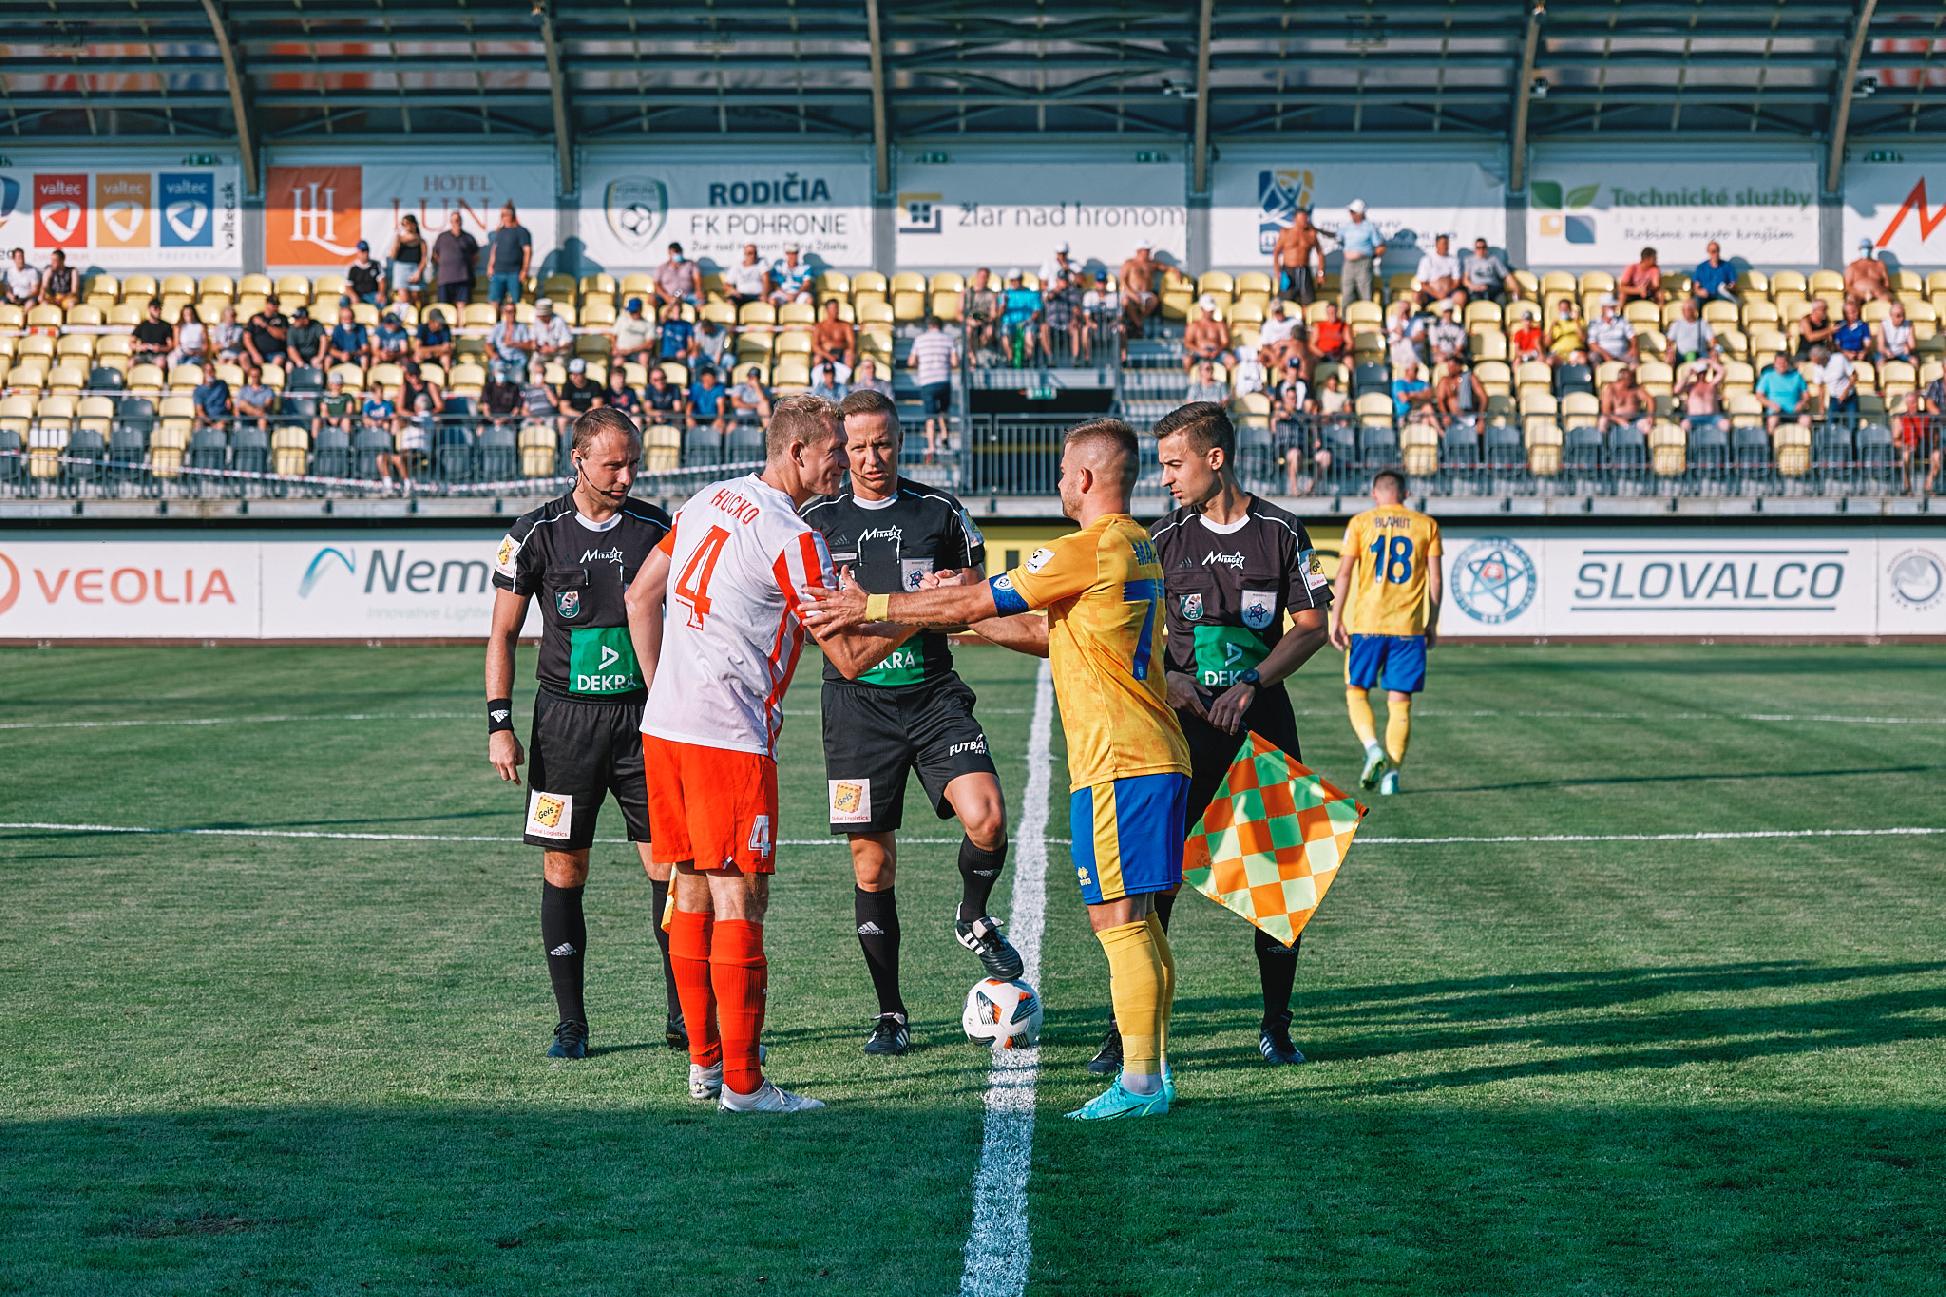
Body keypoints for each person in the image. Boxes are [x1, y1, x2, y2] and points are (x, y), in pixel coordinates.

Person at [803, 418, 1190, 1121]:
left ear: (1086, 478)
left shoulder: (1084, 548)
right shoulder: (1137, 543)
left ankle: (1139, 1083)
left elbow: (978, 600)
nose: (1060, 481)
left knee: (1118, 921)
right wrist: (963, 607)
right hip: (1154, 754)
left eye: (1065, 471)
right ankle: (1153, 1070)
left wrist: (873, 603)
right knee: (1140, 920)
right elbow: (1043, 631)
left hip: (1118, 760)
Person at [624, 393, 904, 1113]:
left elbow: (639, 596)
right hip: (727, 736)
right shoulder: (793, 535)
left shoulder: (704, 499)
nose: (843, 464)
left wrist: (664, 689)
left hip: (667, 728)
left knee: (689, 887)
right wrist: (914, 611)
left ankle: (704, 1066)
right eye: (834, 451)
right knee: (739, 897)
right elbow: (849, 658)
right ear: (797, 452)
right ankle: (745, 1085)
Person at [1083, 402, 1334, 1074]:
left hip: (1263, 725)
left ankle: (1276, 1027)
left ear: (1214, 458)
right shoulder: (1159, 539)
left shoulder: (1282, 530)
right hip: (1183, 733)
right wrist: (1170, 679)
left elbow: (1312, 625)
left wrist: (1253, 680)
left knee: (1279, 887)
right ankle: (1126, 1032)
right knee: (1154, 881)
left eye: (1174, 463)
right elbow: (1129, 631)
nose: (1164, 477)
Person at [797, 390, 1017, 1056]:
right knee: (872, 866)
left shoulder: (940, 512)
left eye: (883, 443)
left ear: (902, 440)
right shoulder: (814, 520)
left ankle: (972, 913)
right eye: (858, 446)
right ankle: (890, 1013)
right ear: (841, 449)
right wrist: (920, 606)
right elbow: (829, 630)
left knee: (988, 818)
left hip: (933, 697)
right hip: (854, 708)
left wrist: (927, 600)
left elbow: (971, 601)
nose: (871, 458)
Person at [487, 408, 682, 1062]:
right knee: (564, 866)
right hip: (563, 728)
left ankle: (682, 1014)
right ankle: (571, 1024)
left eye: (634, 464)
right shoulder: (535, 532)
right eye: (613, 465)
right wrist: (499, 724)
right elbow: (502, 635)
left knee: (666, 865)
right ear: (578, 460)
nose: (626, 476)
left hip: (643, 724)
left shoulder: (657, 530)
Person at [1328, 470, 1443, 797]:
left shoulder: (1361, 523)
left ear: (1375, 494)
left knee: (1356, 690)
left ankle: (1372, 747)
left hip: (1367, 624)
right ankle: (1392, 774)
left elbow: (1344, 573)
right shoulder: (1426, 525)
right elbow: (1435, 580)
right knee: (1400, 701)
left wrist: (1336, 617)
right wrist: (1432, 622)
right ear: (1405, 494)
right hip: (1408, 627)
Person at [909, 315, 957, 463]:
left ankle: (931, 447)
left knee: (930, 416)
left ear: (929, 325)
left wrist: (921, 363)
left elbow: (911, 361)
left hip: (927, 380)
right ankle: (944, 435)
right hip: (944, 379)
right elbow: (955, 362)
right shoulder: (948, 339)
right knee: (943, 411)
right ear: (941, 326)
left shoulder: (920, 339)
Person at [1335, 199, 1386, 307]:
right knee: (1347, 293)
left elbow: (1380, 246)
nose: (1351, 214)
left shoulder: (1370, 227)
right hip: (1348, 264)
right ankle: (1346, 317)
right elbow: (1337, 237)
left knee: (1365, 293)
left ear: (1360, 213)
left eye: (1353, 212)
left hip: (1363, 263)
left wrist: (1369, 257)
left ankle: (1367, 315)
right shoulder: (1347, 226)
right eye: (1350, 211)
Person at [1272, 207, 1324, 305]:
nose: (1304, 221)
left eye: (1305, 219)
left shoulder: (1311, 234)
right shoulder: (1285, 232)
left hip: (1304, 270)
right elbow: (1276, 252)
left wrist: (1320, 272)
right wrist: (1277, 271)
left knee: (1308, 301)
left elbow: (1320, 252)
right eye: (1302, 219)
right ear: (1295, 219)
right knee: (1286, 302)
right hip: (1288, 271)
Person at [488, 205, 534, 306]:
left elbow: (528, 251)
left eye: (505, 214)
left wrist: (525, 270)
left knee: (515, 301)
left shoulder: (521, 231)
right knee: (494, 301)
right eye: (502, 215)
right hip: (498, 272)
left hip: (514, 273)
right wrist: (490, 266)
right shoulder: (500, 232)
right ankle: (496, 316)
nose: (503, 217)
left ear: (512, 215)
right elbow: (494, 249)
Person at [431, 212, 479, 308]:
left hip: (463, 278)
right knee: (445, 308)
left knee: (462, 306)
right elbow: (435, 255)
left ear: (461, 221)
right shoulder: (442, 237)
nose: (456, 222)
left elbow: (475, 257)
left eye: (458, 220)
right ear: (450, 221)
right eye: (454, 220)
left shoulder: (468, 237)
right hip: (445, 279)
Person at [1754, 350, 1808, 434]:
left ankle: (1805, 442)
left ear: (1788, 363)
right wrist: (1771, 404)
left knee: (1806, 420)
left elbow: (1806, 395)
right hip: (1776, 413)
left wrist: (1802, 403)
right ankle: (1771, 441)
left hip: (1795, 412)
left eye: (1784, 362)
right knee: (1772, 421)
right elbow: (1759, 395)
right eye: (1779, 363)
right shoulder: (1767, 376)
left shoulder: (1797, 376)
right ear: (1774, 363)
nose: (1781, 365)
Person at [1433, 355, 1487, 437]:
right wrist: (1445, 416)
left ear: (1459, 366)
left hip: (1470, 418)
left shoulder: (1470, 378)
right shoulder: (1444, 381)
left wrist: (1481, 419)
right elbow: (1440, 400)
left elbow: (1483, 398)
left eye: (1452, 366)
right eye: (1448, 366)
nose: (1449, 369)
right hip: (1452, 418)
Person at [1041, 272, 1087, 363]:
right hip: (1052, 324)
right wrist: (1055, 291)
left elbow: (1076, 309)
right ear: (1057, 281)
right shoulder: (1051, 291)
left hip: (1068, 324)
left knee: (1075, 328)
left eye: (1065, 280)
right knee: (1043, 327)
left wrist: (1074, 319)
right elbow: (1046, 298)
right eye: (1061, 280)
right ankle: (1050, 358)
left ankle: (1075, 359)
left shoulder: (1073, 293)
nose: (1064, 282)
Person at [1120, 244, 1161, 340]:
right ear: (1139, 251)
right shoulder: (1129, 264)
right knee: (1126, 302)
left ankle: (1139, 321)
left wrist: (1174, 270)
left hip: (1146, 294)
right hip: (1131, 292)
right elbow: (1122, 282)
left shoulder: (1151, 264)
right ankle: (1139, 325)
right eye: (1146, 250)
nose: (1149, 252)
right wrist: (1132, 294)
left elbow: (1165, 267)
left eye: (1149, 250)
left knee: (1154, 300)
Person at [999, 271, 1041, 366]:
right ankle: (1010, 359)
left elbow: (1037, 310)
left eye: (1016, 280)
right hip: (1009, 323)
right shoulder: (1005, 294)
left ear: (1021, 280)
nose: (1014, 282)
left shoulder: (1031, 293)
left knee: (1029, 335)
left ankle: (1028, 359)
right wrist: (1004, 304)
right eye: (1012, 280)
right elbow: (1000, 313)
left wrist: (1028, 321)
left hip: (1027, 322)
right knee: (1005, 334)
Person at [1598, 364, 1651, 435]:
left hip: (1635, 418)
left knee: (1647, 425)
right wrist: (1619, 420)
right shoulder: (1610, 389)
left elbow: (1650, 400)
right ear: (1622, 379)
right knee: (1603, 421)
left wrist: (1650, 415)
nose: (1632, 380)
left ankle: (1645, 442)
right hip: (1614, 419)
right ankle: (1603, 441)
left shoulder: (1636, 388)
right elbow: (1606, 411)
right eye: (1629, 379)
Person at [488, 302, 533, 384]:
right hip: (501, 359)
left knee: (517, 383)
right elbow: (488, 344)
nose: (511, 314)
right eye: (509, 312)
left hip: (517, 360)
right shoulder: (498, 327)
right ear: (504, 313)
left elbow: (529, 345)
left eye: (513, 311)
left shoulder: (522, 327)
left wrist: (514, 344)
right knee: (497, 371)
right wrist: (493, 355)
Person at [1677, 358, 1725, 434]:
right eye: (1700, 373)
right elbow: (1677, 390)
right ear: (1696, 373)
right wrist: (1688, 376)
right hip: (1694, 418)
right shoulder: (1690, 386)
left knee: (1725, 424)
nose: (1702, 375)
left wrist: (1709, 361)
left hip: (1712, 417)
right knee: (1685, 425)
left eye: (1703, 372)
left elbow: (1722, 371)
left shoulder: (1711, 385)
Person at [556, 357, 603, 434]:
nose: (574, 376)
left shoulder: (594, 385)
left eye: (577, 374)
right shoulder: (567, 385)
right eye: (572, 373)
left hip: (591, 416)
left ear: (584, 373)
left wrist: (584, 416)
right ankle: (564, 442)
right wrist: (579, 415)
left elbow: (597, 405)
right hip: (573, 416)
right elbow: (564, 408)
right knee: (561, 420)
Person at [962, 268, 1001, 359]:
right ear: (977, 276)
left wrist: (983, 320)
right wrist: (969, 320)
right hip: (971, 321)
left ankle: (980, 349)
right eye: (982, 277)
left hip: (985, 321)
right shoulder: (966, 293)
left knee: (990, 331)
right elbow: (958, 313)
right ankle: (971, 357)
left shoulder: (992, 294)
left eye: (986, 277)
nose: (984, 279)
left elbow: (993, 314)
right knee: (969, 330)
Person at [1413, 233, 1462, 306]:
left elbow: (1456, 282)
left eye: (1447, 244)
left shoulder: (1454, 260)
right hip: (1431, 292)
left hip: (1448, 292)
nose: (1446, 246)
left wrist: (1445, 291)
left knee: (1461, 297)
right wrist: (1437, 294)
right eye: (1443, 244)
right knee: (1416, 296)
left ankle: (1455, 311)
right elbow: (1423, 284)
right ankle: (1423, 311)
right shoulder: (1427, 260)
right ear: (1436, 244)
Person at [387, 215, 428, 301]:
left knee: (416, 296)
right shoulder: (399, 239)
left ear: (414, 224)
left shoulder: (421, 241)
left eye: (407, 223)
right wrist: (397, 242)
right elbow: (392, 256)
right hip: (401, 269)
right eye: (403, 224)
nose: (406, 226)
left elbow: (424, 259)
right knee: (404, 298)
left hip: (415, 269)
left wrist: (418, 272)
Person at [1587, 297, 1638, 365]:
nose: (1612, 309)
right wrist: (1605, 355)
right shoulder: (1595, 323)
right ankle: (1597, 372)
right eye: (1609, 306)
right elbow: (1592, 343)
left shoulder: (1622, 321)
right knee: (1593, 356)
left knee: (1634, 356)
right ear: (1602, 308)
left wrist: (1633, 347)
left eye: (1613, 306)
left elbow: (1633, 337)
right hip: (1602, 355)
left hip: (1622, 354)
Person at [1461, 238, 1513, 304]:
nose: (1481, 250)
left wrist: (1515, 288)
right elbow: (1465, 281)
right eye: (1478, 248)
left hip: (1493, 288)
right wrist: (1476, 287)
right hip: (1476, 289)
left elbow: (1506, 275)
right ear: (1474, 249)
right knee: (1475, 303)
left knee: (1502, 300)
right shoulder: (1469, 260)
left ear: (1486, 248)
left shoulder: (1494, 259)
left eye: (1483, 247)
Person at [1183, 296, 1230, 370]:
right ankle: (1191, 377)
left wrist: (1217, 350)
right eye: (1208, 310)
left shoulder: (1220, 325)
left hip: (1216, 352)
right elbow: (1187, 343)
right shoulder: (1193, 326)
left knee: (1231, 360)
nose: (1210, 312)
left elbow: (1225, 342)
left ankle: (1226, 377)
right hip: (1199, 352)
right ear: (1202, 309)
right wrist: (1200, 351)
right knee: (1187, 360)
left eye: (1211, 310)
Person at [1812, 343, 1856, 420]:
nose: (1817, 365)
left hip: (1850, 397)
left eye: (1818, 362)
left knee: (1852, 424)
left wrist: (1846, 391)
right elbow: (1820, 387)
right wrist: (1821, 405)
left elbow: (1854, 376)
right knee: (1831, 424)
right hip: (1834, 398)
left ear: (1823, 358)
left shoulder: (1839, 358)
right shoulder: (1817, 367)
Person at [812, 299, 857, 373]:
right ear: (827, 310)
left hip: (841, 353)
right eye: (833, 309)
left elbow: (851, 344)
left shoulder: (845, 326)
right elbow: (815, 346)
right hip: (825, 354)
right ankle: (818, 379)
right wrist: (828, 355)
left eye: (837, 308)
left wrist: (837, 346)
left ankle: (847, 379)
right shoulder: (819, 327)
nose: (836, 311)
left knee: (849, 355)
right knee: (817, 359)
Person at [655, 242, 703, 309]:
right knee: (653, 299)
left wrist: (698, 290)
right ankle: (659, 315)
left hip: (686, 296)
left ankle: (699, 315)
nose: (678, 254)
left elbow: (697, 279)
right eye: (675, 252)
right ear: (669, 253)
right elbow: (656, 285)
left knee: (700, 299)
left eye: (679, 251)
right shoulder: (662, 268)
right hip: (668, 296)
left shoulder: (690, 264)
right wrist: (666, 296)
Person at [1667, 298, 1716, 365]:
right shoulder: (1677, 324)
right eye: (1683, 309)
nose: (1684, 311)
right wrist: (1670, 351)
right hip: (1681, 356)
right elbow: (1669, 341)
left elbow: (1712, 341)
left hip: (1699, 356)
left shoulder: (1703, 324)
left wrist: (1713, 351)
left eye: (1688, 309)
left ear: (1694, 310)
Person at [612, 298, 656, 368]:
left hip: (637, 353)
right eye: (631, 311)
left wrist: (631, 350)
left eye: (635, 311)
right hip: (621, 352)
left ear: (640, 310)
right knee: (617, 362)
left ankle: (644, 374)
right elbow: (613, 336)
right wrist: (615, 348)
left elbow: (649, 344)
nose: (632, 314)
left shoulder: (648, 324)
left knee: (644, 358)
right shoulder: (621, 319)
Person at [233, 364, 277, 434]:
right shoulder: (243, 389)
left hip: (262, 417)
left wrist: (248, 406)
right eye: (252, 376)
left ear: (261, 375)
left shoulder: (268, 390)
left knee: (262, 419)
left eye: (256, 376)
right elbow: (238, 407)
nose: (254, 378)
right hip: (247, 417)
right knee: (243, 404)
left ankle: (261, 440)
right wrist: (255, 410)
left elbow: (267, 405)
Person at [530, 298, 574, 366]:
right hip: (542, 353)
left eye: (542, 316)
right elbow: (533, 339)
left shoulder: (559, 321)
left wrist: (554, 348)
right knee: (533, 365)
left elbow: (568, 343)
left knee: (559, 363)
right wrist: (537, 347)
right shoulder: (536, 321)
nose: (539, 317)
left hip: (558, 354)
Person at [688, 366, 731, 434]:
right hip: (698, 417)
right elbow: (690, 405)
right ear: (702, 378)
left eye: (710, 378)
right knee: (690, 426)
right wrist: (689, 418)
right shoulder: (695, 387)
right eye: (705, 378)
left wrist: (719, 419)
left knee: (720, 427)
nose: (707, 381)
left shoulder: (719, 387)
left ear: (714, 379)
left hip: (713, 417)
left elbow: (721, 406)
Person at [327, 304, 372, 368]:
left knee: (364, 359)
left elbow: (365, 348)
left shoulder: (361, 328)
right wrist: (341, 355)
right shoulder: (337, 329)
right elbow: (331, 349)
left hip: (356, 356)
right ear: (341, 320)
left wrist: (352, 354)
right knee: (328, 359)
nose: (348, 321)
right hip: (341, 356)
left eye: (350, 318)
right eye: (345, 318)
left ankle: (364, 374)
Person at [1545, 297, 1585, 367]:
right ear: (1559, 310)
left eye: (1566, 309)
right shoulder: (1553, 324)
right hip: (1558, 353)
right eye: (1562, 309)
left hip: (1574, 352)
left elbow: (1583, 339)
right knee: (1549, 361)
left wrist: (1576, 322)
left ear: (1570, 309)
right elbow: (1547, 343)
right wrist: (1551, 327)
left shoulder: (1579, 321)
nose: (1564, 311)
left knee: (1582, 359)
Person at [315, 371, 356, 439]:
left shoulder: (347, 397)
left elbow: (349, 411)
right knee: (316, 420)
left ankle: (346, 441)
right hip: (327, 420)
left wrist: (338, 418)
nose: (336, 386)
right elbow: (324, 411)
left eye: (338, 384)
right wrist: (331, 419)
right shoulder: (324, 398)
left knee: (346, 420)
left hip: (342, 419)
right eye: (334, 383)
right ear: (330, 384)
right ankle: (316, 442)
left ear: (342, 385)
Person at [132, 299, 175, 365]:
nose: (158, 311)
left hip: (158, 355)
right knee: (131, 363)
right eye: (155, 308)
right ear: (149, 309)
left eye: (160, 308)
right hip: (143, 355)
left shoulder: (166, 326)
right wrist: (140, 347)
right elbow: (131, 343)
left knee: (161, 363)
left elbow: (170, 346)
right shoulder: (142, 325)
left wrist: (160, 348)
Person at [169, 304, 209, 370]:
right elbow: (176, 345)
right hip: (183, 352)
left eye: (190, 313)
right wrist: (185, 351)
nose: (189, 316)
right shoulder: (179, 327)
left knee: (191, 363)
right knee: (173, 359)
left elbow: (205, 345)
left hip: (197, 352)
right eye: (186, 314)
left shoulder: (201, 326)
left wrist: (197, 352)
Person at [347, 241, 384, 306]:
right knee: (344, 301)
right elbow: (348, 286)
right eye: (363, 251)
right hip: (358, 294)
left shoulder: (375, 265)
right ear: (358, 252)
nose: (365, 253)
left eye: (367, 250)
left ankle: (378, 312)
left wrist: (381, 293)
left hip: (372, 294)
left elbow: (382, 281)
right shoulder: (352, 267)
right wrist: (353, 295)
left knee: (382, 301)